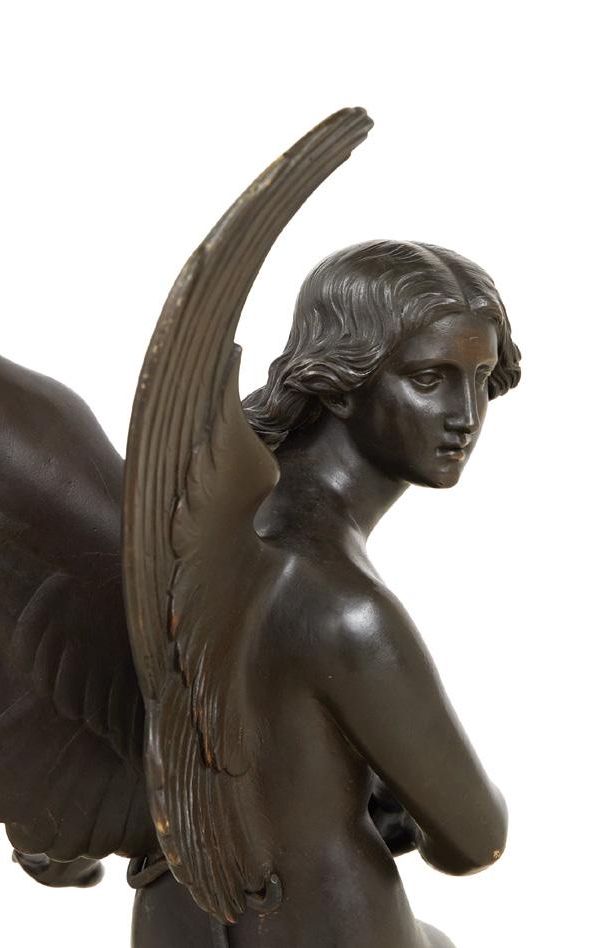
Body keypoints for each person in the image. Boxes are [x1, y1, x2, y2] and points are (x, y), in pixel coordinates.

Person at [132, 239, 520, 947]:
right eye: (428, 379)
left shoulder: (202, 530)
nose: (466, 414)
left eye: (481, 376)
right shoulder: (341, 604)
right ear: (340, 381)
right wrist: (409, 799)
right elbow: (473, 840)